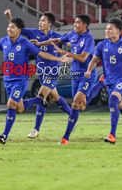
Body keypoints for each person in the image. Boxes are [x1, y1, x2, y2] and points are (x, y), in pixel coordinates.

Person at [0, 17, 70, 144]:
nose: (9, 29)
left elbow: (41, 54)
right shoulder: (4, 40)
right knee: (20, 108)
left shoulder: (25, 43)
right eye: (9, 26)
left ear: (19, 30)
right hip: (9, 79)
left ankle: (5, 135)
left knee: (11, 104)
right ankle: (43, 102)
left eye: (12, 27)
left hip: (23, 79)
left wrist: (60, 59)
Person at [4, 9, 74, 138]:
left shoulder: (56, 37)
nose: (40, 22)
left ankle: (35, 129)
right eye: (40, 20)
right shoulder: (33, 33)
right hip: (41, 71)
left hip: (53, 72)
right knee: (54, 97)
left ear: (49, 24)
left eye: (43, 21)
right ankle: (72, 115)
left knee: (42, 95)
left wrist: (73, 46)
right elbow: (17, 29)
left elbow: (70, 43)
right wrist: (10, 17)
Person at [36, 15, 96, 145]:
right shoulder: (72, 34)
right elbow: (56, 39)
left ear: (85, 25)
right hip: (74, 74)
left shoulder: (89, 39)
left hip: (87, 75)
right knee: (81, 105)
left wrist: (66, 53)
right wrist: (40, 44)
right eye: (74, 22)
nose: (75, 24)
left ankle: (65, 138)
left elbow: (83, 58)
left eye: (78, 22)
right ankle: (100, 85)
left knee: (75, 104)